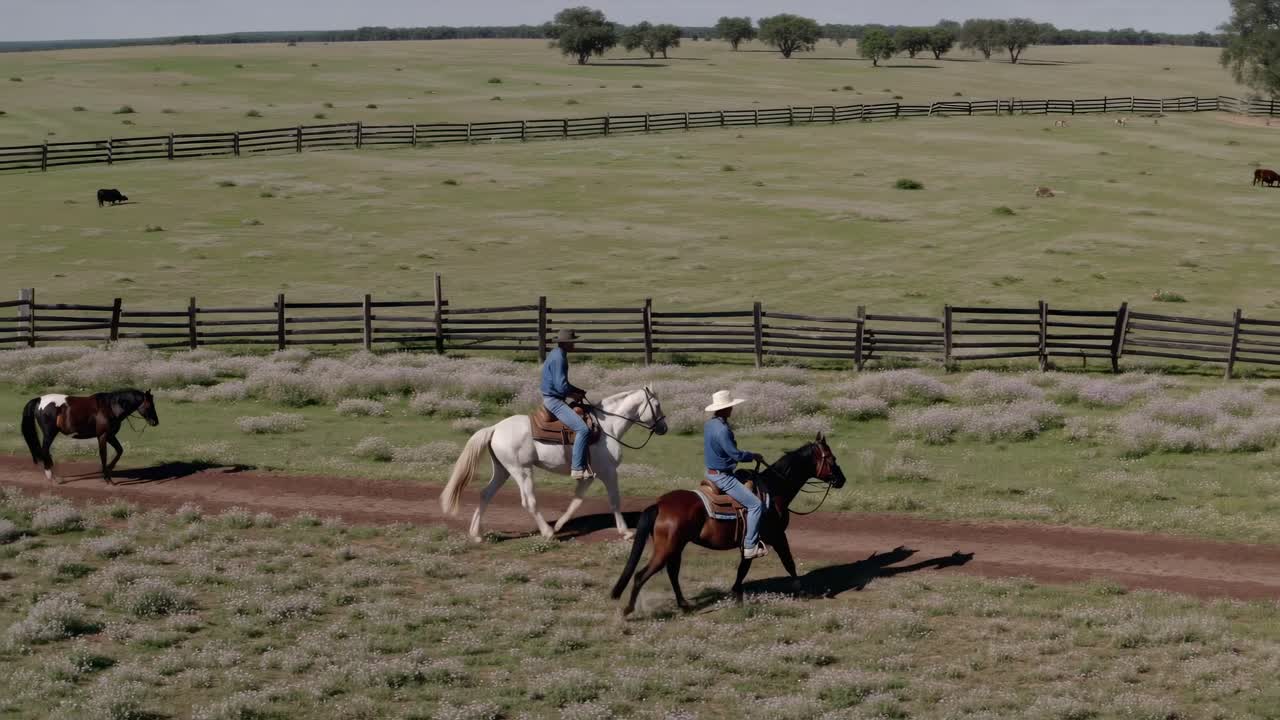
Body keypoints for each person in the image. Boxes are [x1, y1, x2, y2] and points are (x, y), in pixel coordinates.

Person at [703, 390, 768, 559]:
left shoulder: (710, 424)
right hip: (723, 477)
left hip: (709, 473)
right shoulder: (723, 430)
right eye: (730, 406)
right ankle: (749, 546)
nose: (732, 409)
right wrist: (753, 455)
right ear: (724, 409)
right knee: (755, 505)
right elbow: (736, 455)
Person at [541, 328, 594, 481]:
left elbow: (563, 384)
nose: (574, 345)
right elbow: (560, 387)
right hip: (554, 401)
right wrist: (573, 394)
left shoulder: (557, 353)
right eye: (572, 342)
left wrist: (577, 390)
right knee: (583, 429)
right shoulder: (559, 358)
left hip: (554, 397)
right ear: (565, 343)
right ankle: (577, 468)